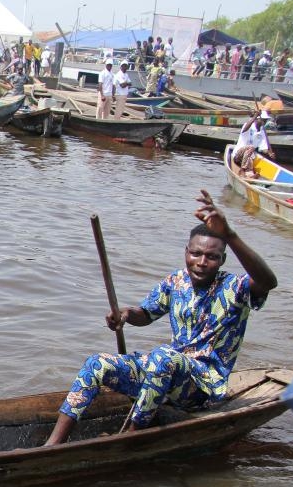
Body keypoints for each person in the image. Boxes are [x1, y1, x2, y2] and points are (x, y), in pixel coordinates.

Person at [44, 190, 277, 446]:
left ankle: (130, 436)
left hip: (203, 388)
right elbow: (146, 314)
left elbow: (268, 281)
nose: (201, 262)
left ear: (222, 260)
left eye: (211, 257)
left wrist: (230, 234)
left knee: (163, 357)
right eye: (195, 254)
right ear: (186, 252)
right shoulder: (176, 281)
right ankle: (53, 444)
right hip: (166, 373)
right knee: (97, 363)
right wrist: (125, 314)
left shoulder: (236, 288)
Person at [231, 110, 275, 177]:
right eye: (263, 120)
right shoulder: (249, 125)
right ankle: (242, 170)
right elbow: (244, 129)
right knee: (251, 147)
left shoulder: (262, 132)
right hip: (238, 155)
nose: (264, 122)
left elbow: (263, 148)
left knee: (251, 162)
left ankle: (250, 176)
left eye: (265, 120)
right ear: (257, 119)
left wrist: (269, 153)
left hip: (248, 157)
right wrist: (255, 116)